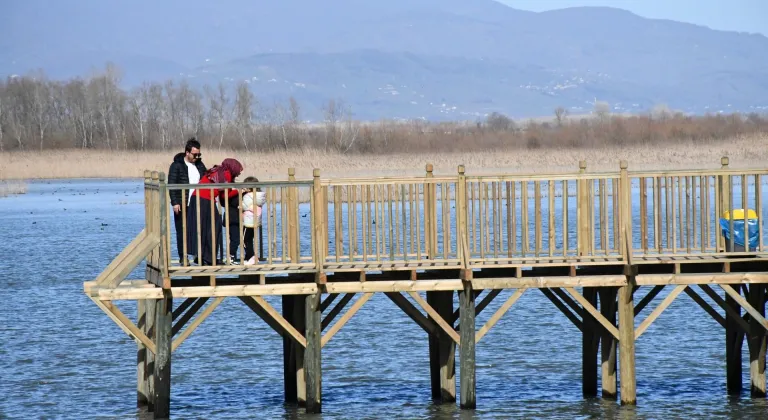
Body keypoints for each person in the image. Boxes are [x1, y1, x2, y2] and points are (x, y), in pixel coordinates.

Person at [186, 158, 243, 266]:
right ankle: (209, 257)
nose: (238, 173)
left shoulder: (217, 171)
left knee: (202, 228)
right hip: (205, 199)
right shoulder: (226, 174)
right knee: (214, 228)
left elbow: (222, 195)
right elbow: (224, 195)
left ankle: (200, 256)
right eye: (238, 171)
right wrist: (239, 191)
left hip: (196, 197)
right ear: (233, 168)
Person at [167, 137, 206, 264]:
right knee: (181, 231)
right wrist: (175, 202)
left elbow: (206, 180)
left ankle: (197, 255)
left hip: (197, 203)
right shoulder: (176, 165)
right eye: (195, 154)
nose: (197, 157)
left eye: (199, 154)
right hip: (182, 203)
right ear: (187, 153)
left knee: (197, 230)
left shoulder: (200, 165)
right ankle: (183, 257)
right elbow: (171, 185)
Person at [240, 176, 267, 265]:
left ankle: (251, 257)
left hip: (248, 221)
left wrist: (240, 205)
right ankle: (250, 257)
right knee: (249, 239)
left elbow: (244, 206)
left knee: (244, 240)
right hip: (255, 221)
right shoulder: (259, 196)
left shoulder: (248, 196)